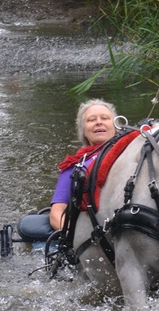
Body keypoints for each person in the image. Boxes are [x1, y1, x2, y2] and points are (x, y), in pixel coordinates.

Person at [49, 99, 118, 231]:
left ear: (115, 127)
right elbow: (56, 213)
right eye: (92, 120)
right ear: (84, 132)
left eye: (104, 118)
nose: (99, 122)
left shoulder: (135, 153)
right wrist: (72, 237)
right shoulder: (73, 166)